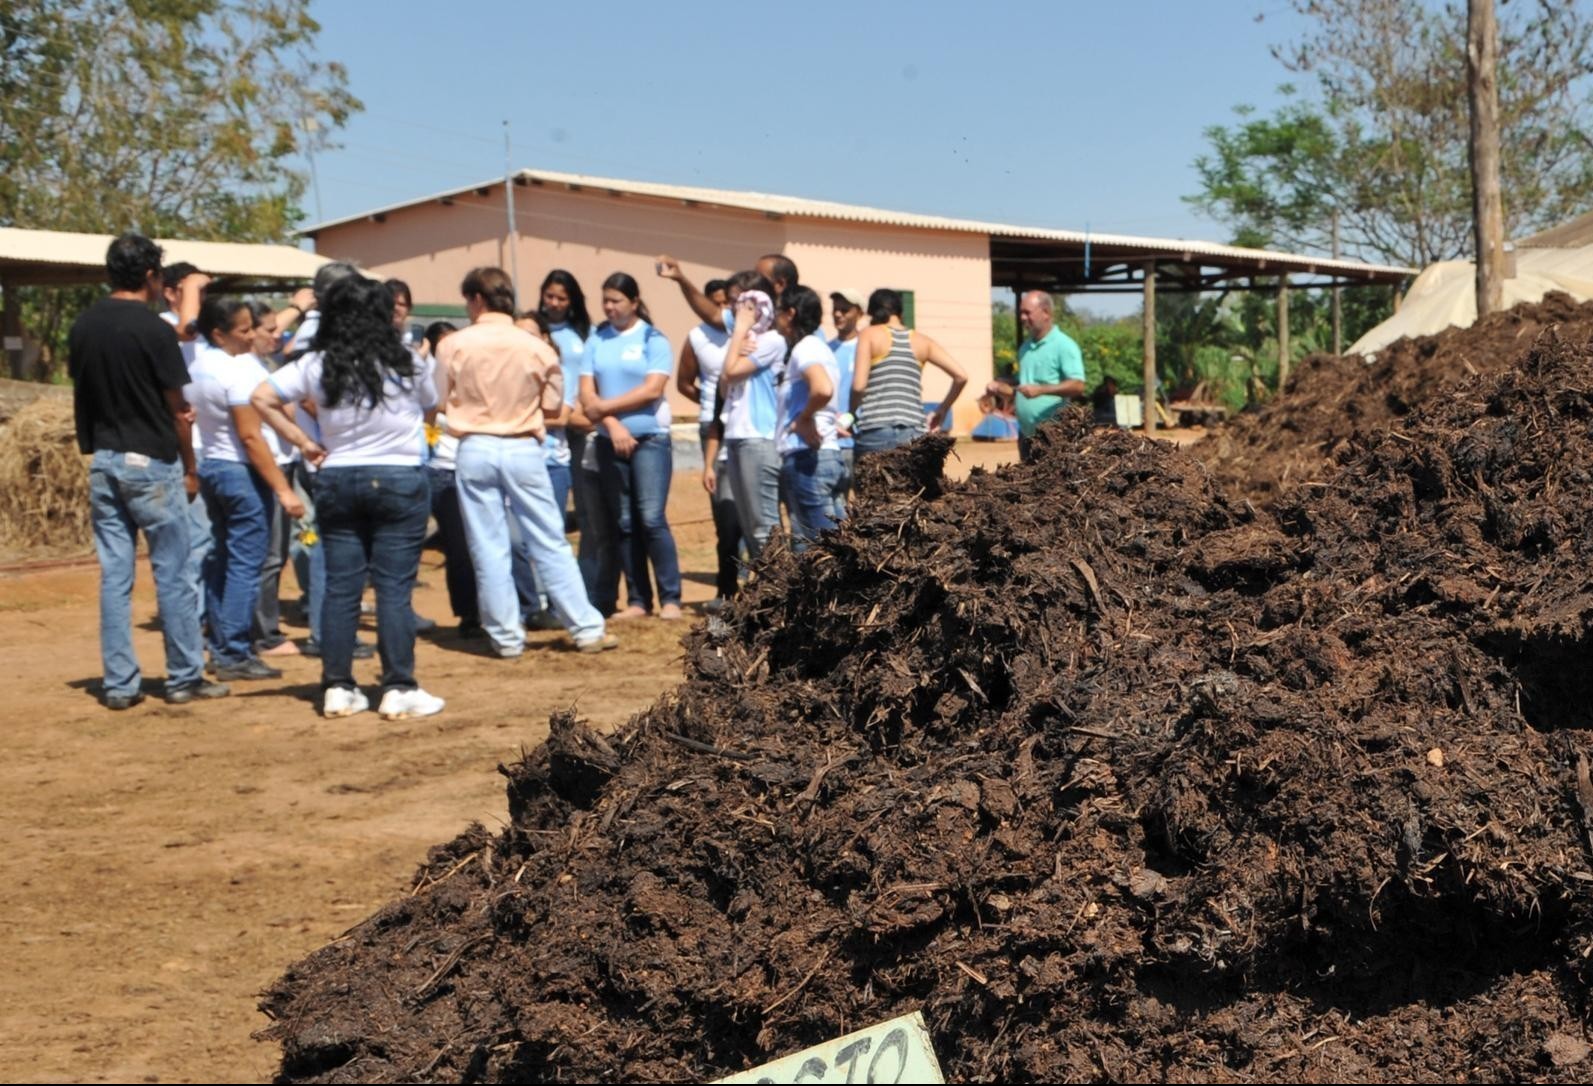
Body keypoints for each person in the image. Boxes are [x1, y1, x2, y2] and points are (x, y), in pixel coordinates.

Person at [253, 275, 445, 719]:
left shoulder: (317, 362)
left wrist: (303, 441)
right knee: (394, 590)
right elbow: (432, 403)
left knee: (341, 588)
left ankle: (338, 686)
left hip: (337, 476)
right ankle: (399, 686)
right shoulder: (406, 362)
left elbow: (261, 396)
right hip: (398, 476)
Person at [69, 232, 230, 709]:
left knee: (115, 577)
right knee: (174, 573)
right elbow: (178, 409)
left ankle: (120, 685)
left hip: (105, 460)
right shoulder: (154, 330)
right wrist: (191, 465)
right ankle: (184, 676)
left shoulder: (83, 326)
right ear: (149, 276)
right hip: (153, 462)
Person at [438, 266, 616, 657]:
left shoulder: (453, 344)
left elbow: (441, 398)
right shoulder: (536, 346)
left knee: (488, 544)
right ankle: (585, 627)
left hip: (475, 446)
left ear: (477, 299)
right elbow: (553, 405)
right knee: (549, 538)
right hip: (523, 444)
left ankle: (505, 637)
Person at [187, 297, 306, 681]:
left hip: (212, 467)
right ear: (219, 333)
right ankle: (234, 651)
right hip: (240, 472)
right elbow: (251, 437)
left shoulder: (198, 364)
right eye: (243, 329)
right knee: (244, 564)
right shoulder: (238, 372)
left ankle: (222, 642)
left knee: (224, 558)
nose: (250, 335)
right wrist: (284, 490)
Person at [580, 273, 683, 621]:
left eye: (617, 300)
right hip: (611, 442)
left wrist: (605, 411)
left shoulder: (654, 339)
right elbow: (586, 393)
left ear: (634, 302)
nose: (610, 307)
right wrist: (612, 426)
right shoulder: (596, 339)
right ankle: (639, 600)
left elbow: (652, 390)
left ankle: (671, 597)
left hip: (651, 439)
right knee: (624, 522)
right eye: (605, 300)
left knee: (651, 518)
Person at [537, 270, 610, 607]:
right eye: (549, 296)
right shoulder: (531, 331)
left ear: (573, 302)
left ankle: (585, 589)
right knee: (547, 520)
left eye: (561, 298)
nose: (553, 303)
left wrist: (586, 417)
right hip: (547, 432)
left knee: (589, 515)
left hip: (581, 430)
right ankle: (543, 593)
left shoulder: (586, 334)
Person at [244, 300, 303, 657]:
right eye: (268, 329)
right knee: (269, 553)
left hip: (280, 461)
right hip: (270, 465)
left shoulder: (262, 365)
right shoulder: (252, 371)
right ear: (249, 332)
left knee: (274, 553)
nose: (276, 334)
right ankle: (263, 633)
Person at [677, 279, 741, 606]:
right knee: (726, 520)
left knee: (756, 523)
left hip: (750, 441)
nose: (723, 310)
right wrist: (708, 465)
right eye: (717, 304)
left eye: (728, 303)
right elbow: (686, 384)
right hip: (718, 433)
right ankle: (725, 595)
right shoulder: (699, 338)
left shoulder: (752, 342)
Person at [716, 271, 787, 561]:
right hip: (735, 436)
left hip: (758, 438)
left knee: (764, 527)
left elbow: (731, 372)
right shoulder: (741, 342)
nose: (735, 310)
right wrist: (737, 340)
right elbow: (724, 385)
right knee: (749, 527)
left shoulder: (772, 340)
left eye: (742, 303)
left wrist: (738, 334)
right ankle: (768, 591)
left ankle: (783, 592)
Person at [850, 288, 968, 457]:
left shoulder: (868, 334)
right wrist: (942, 409)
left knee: (872, 482)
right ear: (900, 312)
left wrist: (851, 414)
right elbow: (961, 376)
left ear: (872, 313)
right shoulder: (922, 341)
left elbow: (858, 386)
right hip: (914, 434)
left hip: (875, 430)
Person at [420, 321, 481, 638]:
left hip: (468, 469)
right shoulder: (427, 379)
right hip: (437, 471)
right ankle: (467, 613)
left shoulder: (471, 374)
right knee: (453, 546)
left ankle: (474, 612)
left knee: (468, 546)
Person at [775, 286, 845, 546]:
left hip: (808, 458)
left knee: (824, 553)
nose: (774, 317)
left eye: (779, 311)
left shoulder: (805, 347)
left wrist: (804, 418)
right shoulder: (821, 347)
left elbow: (822, 388)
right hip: (826, 455)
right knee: (842, 548)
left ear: (790, 314)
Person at [1001, 290, 1086, 462]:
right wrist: (1003, 384)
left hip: (1053, 436)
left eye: (1027, 312)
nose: (1023, 318)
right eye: (1021, 313)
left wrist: (1041, 390)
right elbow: (1025, 383)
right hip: (1025, 434)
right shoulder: (1025, 347)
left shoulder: (1064, 345)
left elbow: (1078, 385)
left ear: (1046, 312)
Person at [653, 252, 799, 331]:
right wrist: (681, 279)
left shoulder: (800, 326)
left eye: (760, 276)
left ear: (780, 284)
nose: (753, 279)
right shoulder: (750, 314)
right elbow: (715, 315)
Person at [827, 288, 865, 507]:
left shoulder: (868, 347)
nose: (838, 314)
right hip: (835, 441)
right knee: (837, 507)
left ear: (859, 313)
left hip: (863, 439)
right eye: (835, 310)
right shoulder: (826, 350)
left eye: (845, 310)